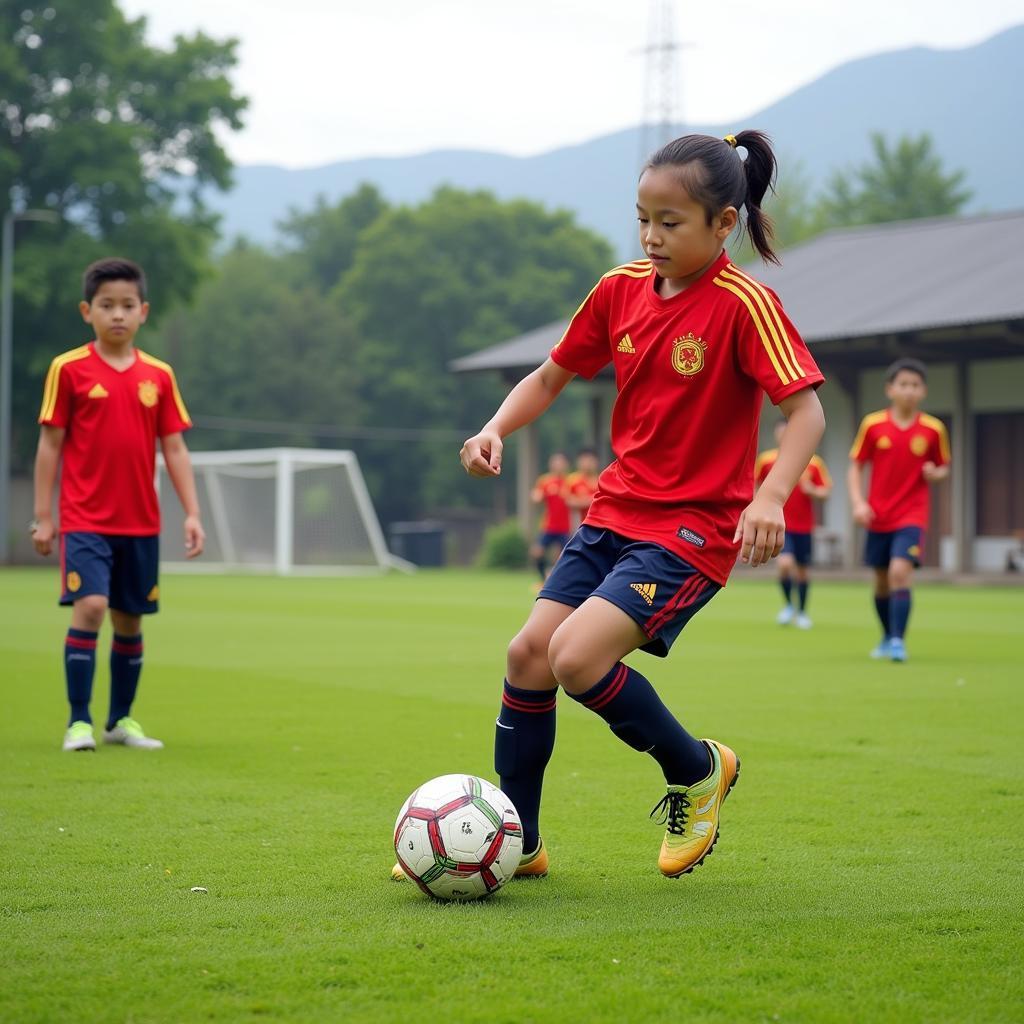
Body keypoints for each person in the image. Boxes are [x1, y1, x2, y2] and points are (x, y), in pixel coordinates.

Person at [393, 129, 825, 885]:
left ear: (724, 224)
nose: (652, 238)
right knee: (528, 655)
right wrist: (493, 428)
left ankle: (696, 769)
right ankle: (518, 845)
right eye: (643, 219)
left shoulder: (744, 304)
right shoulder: (618, 288)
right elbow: (551, 375)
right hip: (612, 515)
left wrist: (772, 495)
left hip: (690, 530)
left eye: (672, 222)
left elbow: (807, 413)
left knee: (576, 656)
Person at [32, 257, 206, 752]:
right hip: (85, 520)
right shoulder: (68, 370)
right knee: (90, 607)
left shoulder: (159, 375)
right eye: (106, 305)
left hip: (140, 524)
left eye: (127, 305)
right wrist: (44, 517)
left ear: (143, 311)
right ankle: (79, 722)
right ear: (87, 310)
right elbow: (50, 444)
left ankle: (120, 721)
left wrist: (192, 513)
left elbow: (173, 447)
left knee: (129, 620)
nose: (117, 315)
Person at [848, 358, 950, 663]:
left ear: (923, 391)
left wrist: (935, 473)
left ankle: (897, 641)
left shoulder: (933, 429)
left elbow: (944, 467)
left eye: (915, 385)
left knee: (899, 572)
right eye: (903, 384)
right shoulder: (873, 425)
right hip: (878, 515)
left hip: (912, 514)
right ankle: (886, 634)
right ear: (890, 389)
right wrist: (858, 502)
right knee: (881, 580)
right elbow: (856, 465)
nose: (909, 390)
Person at [755, 421, 832, 629]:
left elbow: (825, 492)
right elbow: (754, 485)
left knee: (803, 571)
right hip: (779, 524)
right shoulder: (766, 460)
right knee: (785, 564)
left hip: (804, 526)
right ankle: (789, 605)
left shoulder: (813, 463)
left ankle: (803, 612)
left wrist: (812, 491)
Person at [529, 452, 571, 582]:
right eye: (555, 462)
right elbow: (536, 496)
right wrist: (536, 497)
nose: (558, 465)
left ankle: (555, 580)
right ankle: (543, 579)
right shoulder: (545, 481)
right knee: (537, 552)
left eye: (561, 462)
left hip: (565, 527)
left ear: (566, 465)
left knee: (562, 557)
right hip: (548, 525)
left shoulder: (570, 482)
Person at [565, 447, 601, 531]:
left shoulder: (602, 480)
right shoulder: (572, 480)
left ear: (596, 462)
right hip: (578, 525)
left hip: (599, 524)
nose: (587, 464)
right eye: (584, 460)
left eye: (590, 460)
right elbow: (568, 501)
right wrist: (591, 500)